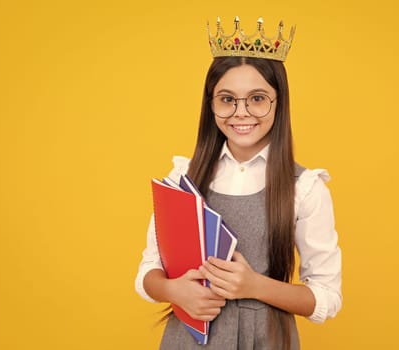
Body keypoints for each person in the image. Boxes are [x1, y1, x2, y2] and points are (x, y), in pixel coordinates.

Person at [135, 17, 342, 350]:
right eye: (227, 99)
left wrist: (255, 286)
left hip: (266, 340)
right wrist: (174, 291)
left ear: (279, 102)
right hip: (187, 339)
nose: (241, 112)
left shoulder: (304, 187)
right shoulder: (183, 178)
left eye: (257, 98)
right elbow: (149, 270)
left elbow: (326, 297)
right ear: (211, 104)